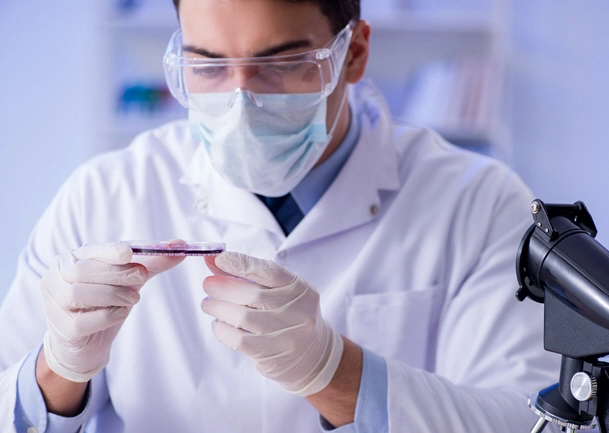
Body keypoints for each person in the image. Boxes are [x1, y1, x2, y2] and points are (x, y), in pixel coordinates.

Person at [0, 0, 560, 431]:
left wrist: (338, 373)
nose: (241, 101)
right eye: (207, 66)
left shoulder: (478, 201)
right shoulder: (104, 193)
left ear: (354, 54)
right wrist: (60, 368)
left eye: (283, 64)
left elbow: (528, 419)